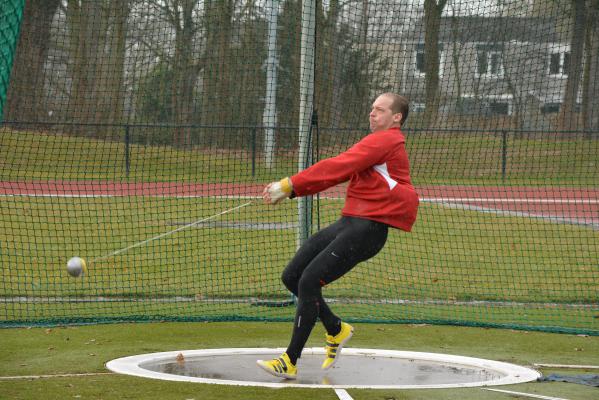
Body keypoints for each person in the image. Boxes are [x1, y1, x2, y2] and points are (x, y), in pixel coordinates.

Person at [256, 92, 419, 379]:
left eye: (380, 110)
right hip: (350, 222)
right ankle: (335, 328)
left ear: (396, 118)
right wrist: (292, 187)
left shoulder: (387, 139)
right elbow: (342, 170)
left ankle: (289, 361)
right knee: (292, 276)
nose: (372, 113)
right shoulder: (377, 141)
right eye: (372, 108)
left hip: (367, 230)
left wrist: (290, 185)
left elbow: (337, 166)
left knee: (308, 281)